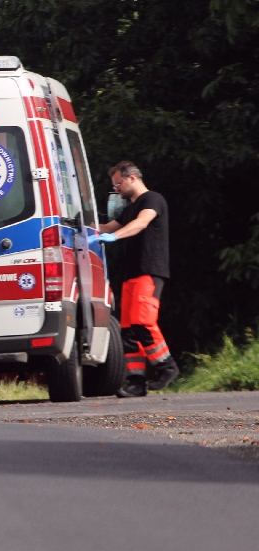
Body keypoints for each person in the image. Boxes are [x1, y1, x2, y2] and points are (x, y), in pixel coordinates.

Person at [98, 161, 178, 397]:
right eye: (114, 186)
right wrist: (79, 227)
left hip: (149, 271)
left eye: (118, 183)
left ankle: (166, 366)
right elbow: (106, 227)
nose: (116, 189)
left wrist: (115, 237)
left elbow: (141, 223)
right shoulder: (129, 208)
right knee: (129, 331)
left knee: (143, 323)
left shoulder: (152, 199)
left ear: (132, 177)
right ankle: (136, 382)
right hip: (131, 274)